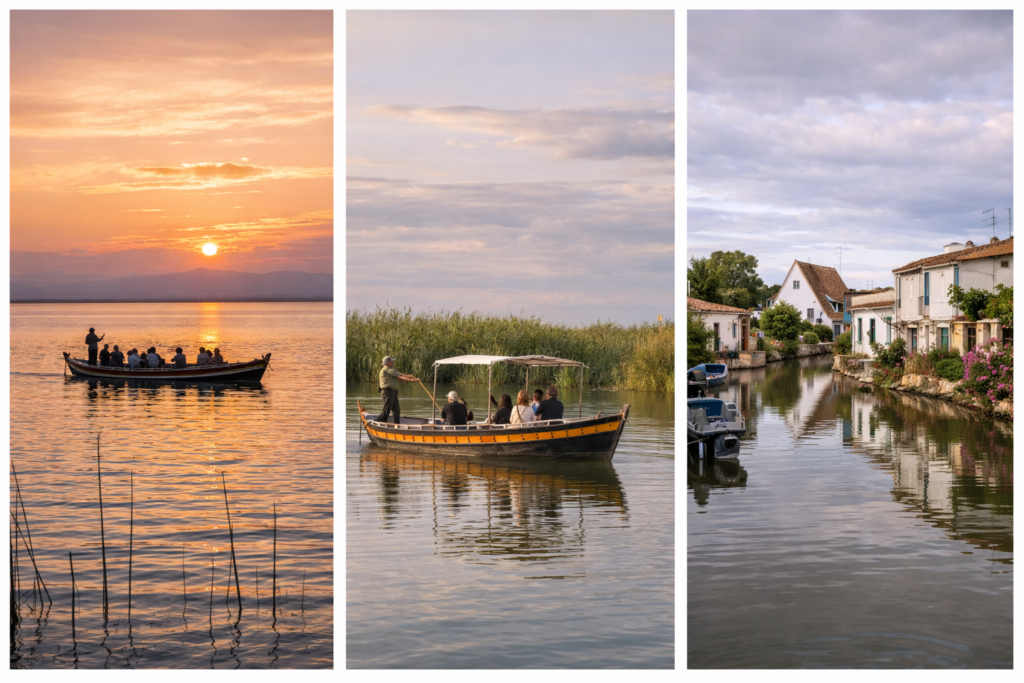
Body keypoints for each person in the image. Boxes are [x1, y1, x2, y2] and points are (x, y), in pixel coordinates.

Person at [376, 356, 418, 424]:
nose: (392, 362)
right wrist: (412, 379)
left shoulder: (389, 370)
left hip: (392, 392)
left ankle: (396, 425)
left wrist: (411, 377)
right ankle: (379, 422)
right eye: (391, 361)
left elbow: (400, 377)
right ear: (387, 363)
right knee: (387, 410)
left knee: (396, 411)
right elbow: (401, 376)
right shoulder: (387, 370)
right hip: (388, 392)